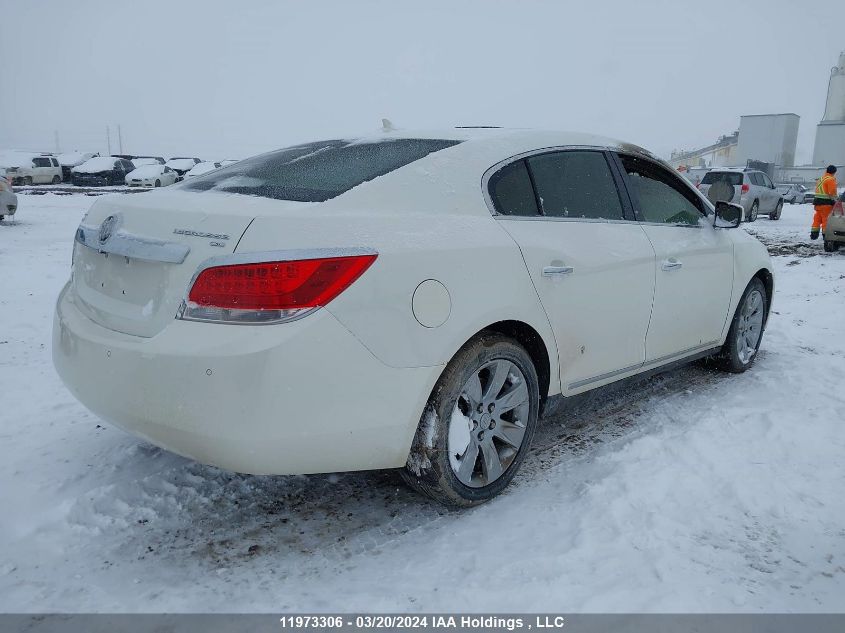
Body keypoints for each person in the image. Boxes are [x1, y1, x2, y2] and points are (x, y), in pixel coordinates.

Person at [811, 165, 837, 240]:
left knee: (817, 218)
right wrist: (835, 200)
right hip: (826, 203)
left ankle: (814, 234)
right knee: (826, 219)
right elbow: (831, 192)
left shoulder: (821, 178)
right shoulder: (831, 179)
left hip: (817, 203)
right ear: (834, 172)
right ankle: (826, 235)